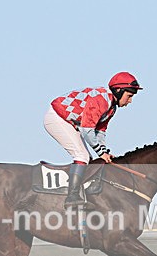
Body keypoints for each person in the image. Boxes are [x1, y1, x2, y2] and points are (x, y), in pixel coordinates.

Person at [44, 71, 143, 206]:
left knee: (88, 159)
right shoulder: (101, 100)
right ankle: (72, 197)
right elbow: (87, 130)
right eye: (129, 96)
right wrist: (101, 152)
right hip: (57, 118)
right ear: (119, 91)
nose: (130, 101)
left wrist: (104, 152)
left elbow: (100, 131)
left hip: (70, 122)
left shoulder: (111, 108)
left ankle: (80, 194)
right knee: (82, 156)